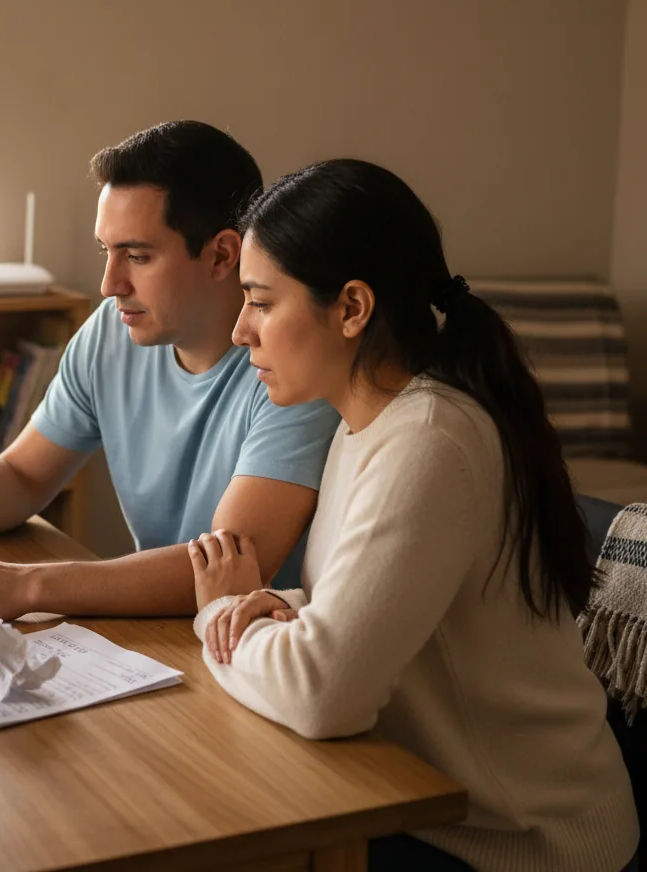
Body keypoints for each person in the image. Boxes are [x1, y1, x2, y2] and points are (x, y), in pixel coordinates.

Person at [188, 159, 639, 872]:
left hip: (521, 847)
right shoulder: (366, 424)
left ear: (352, 308)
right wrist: (285, 606)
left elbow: (324, 695)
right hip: (440, 810)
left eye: (263, 302)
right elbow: (388, 604)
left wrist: (222, 616)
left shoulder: (430, 441)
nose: (242, 329)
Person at [0, 121, 340, 620]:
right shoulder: (112, 331)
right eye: (107, 251)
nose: (108, 283)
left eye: (137, 256)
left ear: (222, 255)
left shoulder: (294, 366)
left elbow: (228, 567)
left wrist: (26, 586)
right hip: (165, 640)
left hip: (257, 654)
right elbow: (21, 475)